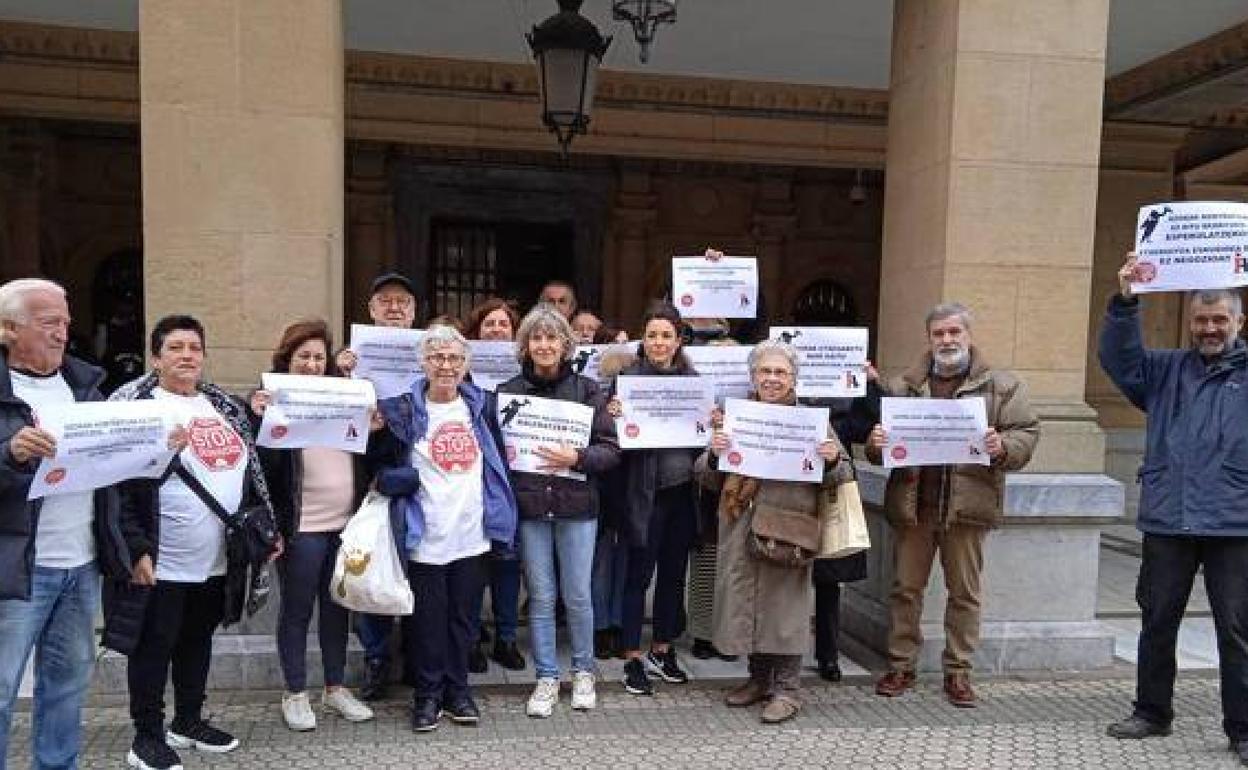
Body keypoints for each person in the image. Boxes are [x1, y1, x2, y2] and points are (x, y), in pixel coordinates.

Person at [106, 314, 281, 770]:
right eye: (175, 347)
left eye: (194, 348)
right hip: (162, 557)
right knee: (153, 646)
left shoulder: (224, 406)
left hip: (218, 555)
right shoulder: (133, 406)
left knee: (197, 641)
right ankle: (146, 736)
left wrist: (265, 529)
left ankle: (187, 721)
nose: (187, 356)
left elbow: (251, 472)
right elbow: (117, 487)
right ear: (156, 357)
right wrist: (135, 549)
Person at [1099, 253, 1248, 765]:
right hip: (1168, 518)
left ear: (1239, 322)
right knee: (1158, 620)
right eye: (1201, 321)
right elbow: (1119, 360)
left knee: (1237, 630)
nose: (1210, 329)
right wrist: (1125, 302)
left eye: (1219, 320)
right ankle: (1151, 711)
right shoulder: (1164, 371)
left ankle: (1243, 728)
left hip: (1236, 523)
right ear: (1190, 323)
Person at [866, 303, 1039, 708]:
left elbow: (1027, 432)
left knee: (964, 593)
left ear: (968, 335)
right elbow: (879, 451)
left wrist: (1003, 446)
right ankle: (901, 665)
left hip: (967, 508)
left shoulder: (1002, 386)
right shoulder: (903, 386)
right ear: (928, 339)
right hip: (914, 507)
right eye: (938, 333)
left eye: (954, 332)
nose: (946, 340)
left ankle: (958, 671)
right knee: (905, 590)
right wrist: (875, 444)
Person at [0, 278, 131, 769]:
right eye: (49, 322)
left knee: (67, 689)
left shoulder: (87, 386)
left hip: (82, 564)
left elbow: (115, 468)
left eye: (66, 322)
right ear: (8, 329)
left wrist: (159, 447)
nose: (62, 333)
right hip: (16, 570)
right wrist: (9, 453)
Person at [369, 325, 518, 733]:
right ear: (422, 362)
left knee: (464, 621)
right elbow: (377, 464)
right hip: (424, 535)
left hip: (472, 534)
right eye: (437, 357)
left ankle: (458, 692)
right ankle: (427, 696)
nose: (446, 365)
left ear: (466, 364)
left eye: (454, 358)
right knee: (426, 622)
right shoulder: (400, 411)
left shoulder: (481, 408)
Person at [699, 340, 850, 723]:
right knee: (750, 603)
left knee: (785, 609)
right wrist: (714, 453)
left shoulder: (812, 421)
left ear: (793, 378)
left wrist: (832, 459)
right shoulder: (737, 418)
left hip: (789, 527)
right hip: (742, 524)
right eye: (764, 371)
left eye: (780, 372)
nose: (771, 379)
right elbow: (705, 477)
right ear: (753, 377)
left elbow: (845, 473)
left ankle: (788, 689)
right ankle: (759, 679)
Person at [250, 320, 375, 731]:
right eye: (303, 356)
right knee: (297, 610)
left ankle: (335, 688)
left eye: (319, 357)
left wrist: (375, 427)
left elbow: (368, 453)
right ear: (287, 359)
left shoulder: (346, 396)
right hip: (302, 528)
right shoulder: (273, 400)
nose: (311, 364)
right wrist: (258, 415)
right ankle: (295, 692)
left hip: (345, 527)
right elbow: (264, 467)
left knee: (338, 610)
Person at [498, 306, 620, 717]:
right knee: (541, 596)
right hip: (531, 506)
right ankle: (547, 676)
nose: (544, 345)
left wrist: (577, 457)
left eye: (552, 338)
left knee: (578, 595)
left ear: (566, 344)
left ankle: (584, 671)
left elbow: (611, 450)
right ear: (526, 345)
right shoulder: (509, 391)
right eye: (536, 337)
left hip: (576, 507)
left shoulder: (588, 390)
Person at [607, 302, 709, 695]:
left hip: (683, 494)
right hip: (643, 495)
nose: (659, 342)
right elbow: (610, 440)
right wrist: (612, 415)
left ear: (679, 340)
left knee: (673, 575)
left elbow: (704, 438)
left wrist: (713, 421)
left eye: (667, 335)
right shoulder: (626, 381)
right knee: (638, 576)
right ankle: (632, 656)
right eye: (652, 335)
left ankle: (662, 649)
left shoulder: (695, 383)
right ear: (643, 339)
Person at [335, 271, 418, 701]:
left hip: (428, 483)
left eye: (403, 302)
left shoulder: (431, 353)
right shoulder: (350, 362)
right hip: (375, 484)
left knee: (422, 570)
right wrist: (340, 372)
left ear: (414, 312)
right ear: (371, 310)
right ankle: (376, 660)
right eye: (385, 301)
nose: (394, 308)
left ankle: (417, 659)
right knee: (373, 568)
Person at [462, 298, 525, 672]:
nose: (497, 330)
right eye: (489, 324)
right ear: (476, 332)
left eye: (504, 325)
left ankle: (506, 638)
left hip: (513, 478)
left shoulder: (526, 373)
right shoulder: (461, 374)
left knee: (507, 562)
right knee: (473, 563)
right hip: (470, 480)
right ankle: (471, 638)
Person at [683, 315, 738, 663]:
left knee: (734, 574)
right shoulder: (696, 401)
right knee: (705, 568)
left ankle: (728, 636)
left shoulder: (754, 405)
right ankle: (702, 634)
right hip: (707, 497)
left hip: (744, 500)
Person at [591, 344, 636, 659]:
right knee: (603, 564)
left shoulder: (644, 401)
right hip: (605, 491)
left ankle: (613, 625)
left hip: (632, 491)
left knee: (619, 564)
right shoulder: (597, 402)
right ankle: (603, 627)